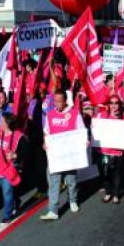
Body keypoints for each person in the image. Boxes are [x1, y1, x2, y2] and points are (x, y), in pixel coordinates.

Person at [40, 90, 85, 221]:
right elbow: (46, 131)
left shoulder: (75, 113)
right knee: (54, 183)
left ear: (66, 101)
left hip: (70, 155)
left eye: (60, 101)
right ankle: (53, 210)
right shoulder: (50, 114)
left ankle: (72, 200)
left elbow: (81, 131)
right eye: (55, 101)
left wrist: (84, 141)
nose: (57, 104)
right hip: (55, 155)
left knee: (71, 180)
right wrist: (45, 142)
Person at [95, 96, 124, 204]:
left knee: (116, 173)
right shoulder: (102, 116)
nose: (113, 105)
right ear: (109, 104)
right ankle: (108, 193)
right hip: (104, 152)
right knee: (104, 172)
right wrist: (93, 125)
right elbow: (94, 126)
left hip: (118, 152)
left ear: (120, 105)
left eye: (116, 103)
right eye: (111, 103)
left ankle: (116, 195)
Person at [0, 112, 28, 226]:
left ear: (8, 123)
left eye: (2, 121)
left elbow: (26, 151)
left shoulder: (18, 136)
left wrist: (15, 155)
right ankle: (16, 203)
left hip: (9, 169)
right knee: (9, 191)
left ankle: (7, 216)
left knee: (6, 193)